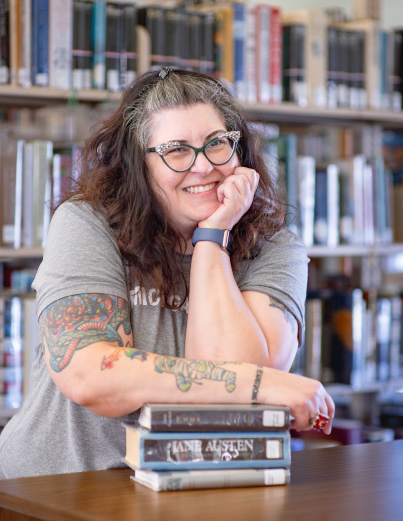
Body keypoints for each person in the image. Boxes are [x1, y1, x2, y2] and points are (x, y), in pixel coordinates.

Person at [0, 68, 334, 478]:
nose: (203, 166)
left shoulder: (276, 248)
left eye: (218, 144)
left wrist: (212, 238)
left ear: (240, 151)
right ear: (137, 166)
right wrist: (254, 385)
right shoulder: (86, 224)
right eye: (176, 150)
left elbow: (233, 376)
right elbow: (89, 375)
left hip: (184, 491)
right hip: (54, 488)